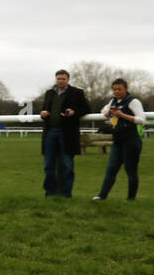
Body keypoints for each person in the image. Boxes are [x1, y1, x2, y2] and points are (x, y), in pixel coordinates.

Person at [38, 69, 89, 197]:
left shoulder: (77, 92)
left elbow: (86, 108)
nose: (60, 81)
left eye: (63, 79)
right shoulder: (49, 93)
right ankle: (49, 193)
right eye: (58, 79)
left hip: (67, 133)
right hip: (50, 131)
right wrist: (43, 113)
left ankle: (66, 194)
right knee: (48, 165)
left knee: (67, 165)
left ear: (68, 79)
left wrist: (74, 112)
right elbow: (45, 109)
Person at [93, 79, 145, 201]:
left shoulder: (133, 101)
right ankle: (102, 196)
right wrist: (106, 112)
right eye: (114, 89)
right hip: (118, 141)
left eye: (119, 89)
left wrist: (122, 115)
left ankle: (131, 198)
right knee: (111, 169)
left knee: (130, 171)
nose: (116, 91)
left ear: (126, 89)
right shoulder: (113, 101)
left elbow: (142, 120)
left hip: (131, 141)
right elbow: (104, 110)